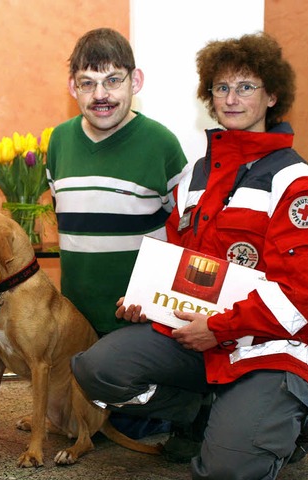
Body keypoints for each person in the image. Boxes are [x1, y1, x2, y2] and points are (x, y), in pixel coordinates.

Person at [71, 32, 308, 480]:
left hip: (270, 348)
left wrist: (221, 327)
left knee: (225, 477)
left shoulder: (300, 187)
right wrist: (144, 302)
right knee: (97, 368)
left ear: (272, 95)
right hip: (197, 340)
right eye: (221, 88)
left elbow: (302, 299)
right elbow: (174, 261)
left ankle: (283, 427)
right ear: (209, 97)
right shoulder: (195, 176)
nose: (231, 99)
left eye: (246, 87)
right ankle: (202, 413)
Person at [46, 28, 187, 438]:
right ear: (72, 87)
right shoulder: (59, 140)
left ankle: (184, 408)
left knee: (129, 423)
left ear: (135, 81)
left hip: (138, 321)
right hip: (79, 321)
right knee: (71, 424)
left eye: (113, 81)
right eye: (88, 84)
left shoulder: (161, 143)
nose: (100, 95)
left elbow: (185, 236)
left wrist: (156, 298)